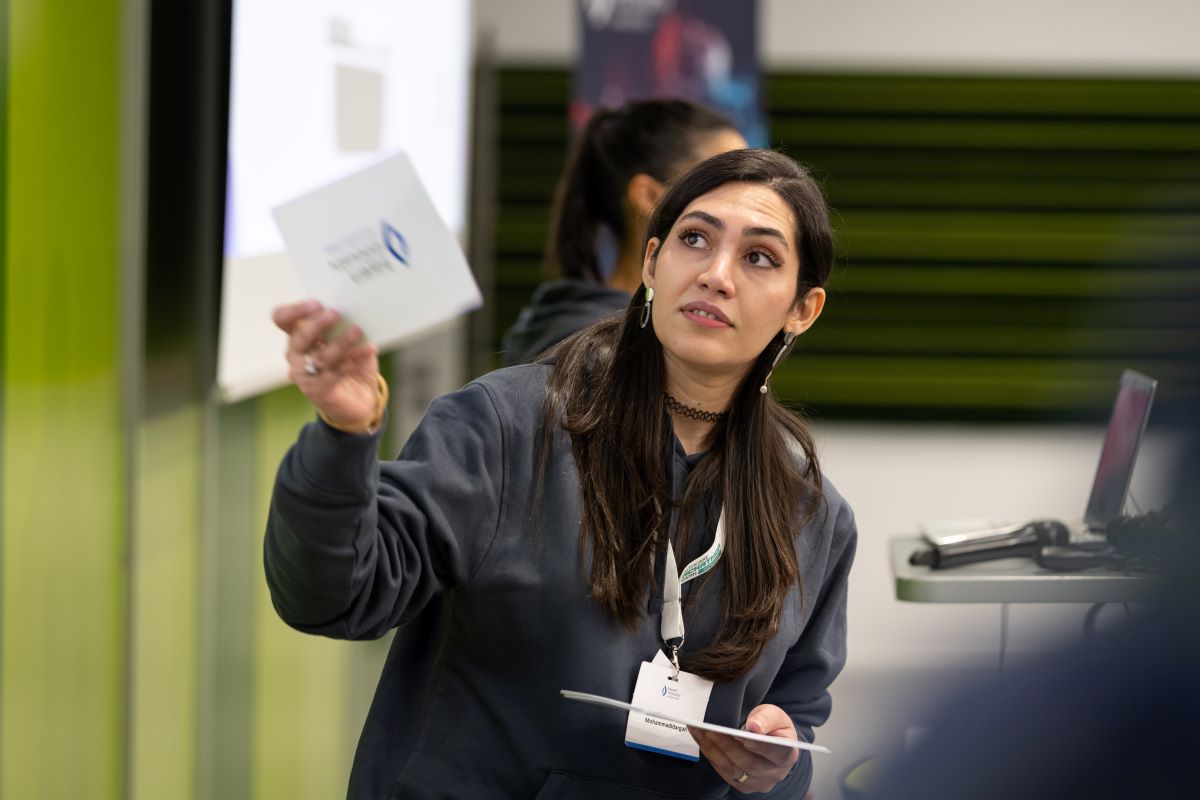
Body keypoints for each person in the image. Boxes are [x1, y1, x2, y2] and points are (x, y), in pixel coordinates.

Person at [265, 148, 856, 799]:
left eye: (759, 257)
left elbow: (795, 724)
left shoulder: (812, 515)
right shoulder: (507, 425)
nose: (716, 275)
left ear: (803, 309)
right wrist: (344, 435)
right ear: (652, 263)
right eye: (695, 239)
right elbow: (334, 596)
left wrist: (775, 763)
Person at [500, 98, 747, 366]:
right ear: (650, 196)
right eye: (727, 182)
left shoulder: (577, 324)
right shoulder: (602, 348)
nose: (751, 200)